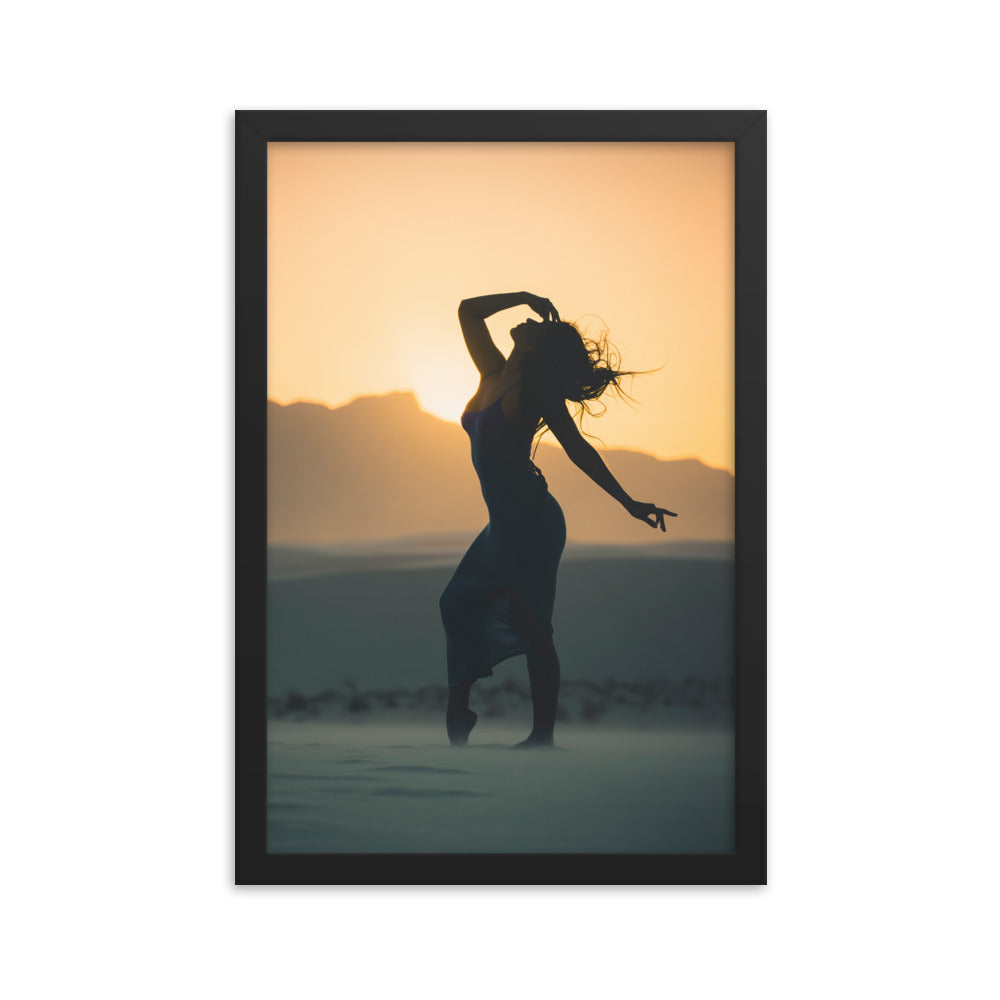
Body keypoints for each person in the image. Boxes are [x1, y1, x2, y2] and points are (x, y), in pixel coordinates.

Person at [439, 291, 676, 748]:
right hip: (501, 526)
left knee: (532, 625)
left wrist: (628, 502)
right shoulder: (491, 369)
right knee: (455, 603)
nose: (528, 322)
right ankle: (459, 711)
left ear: (535, 348)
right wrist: (524, 295)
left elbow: (578, 448)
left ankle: (542, 736)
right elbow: (468, 309)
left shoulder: (534, 391)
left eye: (536, 326)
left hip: (532, 522)